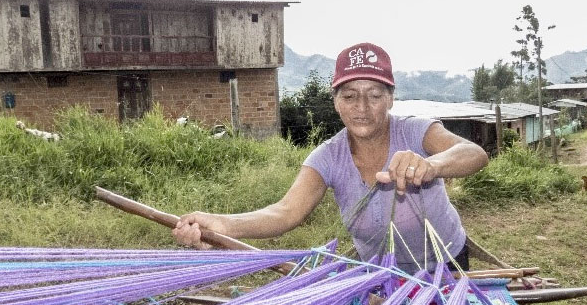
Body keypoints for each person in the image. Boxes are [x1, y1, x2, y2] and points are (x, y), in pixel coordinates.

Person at [172, 42, 489, 273]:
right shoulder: (328, 158)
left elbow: (474, 154)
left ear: (391, 98)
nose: (361, 108)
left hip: (447, 264)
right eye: (349, 96)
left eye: (374, 95)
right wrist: (223, 225)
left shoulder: (416, 132)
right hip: (381, 276)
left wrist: (431, 165)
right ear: (336, 102)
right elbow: (284, 212)